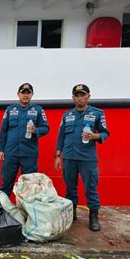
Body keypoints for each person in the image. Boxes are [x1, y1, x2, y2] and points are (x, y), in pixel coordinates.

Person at [54, 84, 109, 231]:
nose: (79, 98)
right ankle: (72, 214)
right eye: (76, 96)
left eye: (82, 95)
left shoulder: (97, 113)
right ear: (73, 98)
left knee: (91, 188)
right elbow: (61, 137)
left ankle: (93, 217)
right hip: (69, 157)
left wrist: (95, 136)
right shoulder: (67, 115)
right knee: (70, 188)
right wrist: (58, 155)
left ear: (88, 96)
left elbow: (105, 133)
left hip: (87, 158)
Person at [0, 83, 49, 196]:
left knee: (30, 185)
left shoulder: (38, 110)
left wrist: (36, 130)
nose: (25, 95)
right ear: (18, 94)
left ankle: (27, 212)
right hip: (10, 153)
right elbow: (3, 131)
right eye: (23, 93)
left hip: (29, 153)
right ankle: (2, 211)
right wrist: (1, 150)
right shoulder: (10, 110)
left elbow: (46, 128)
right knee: (6, 183)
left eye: (28, 93)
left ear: (32, 94)